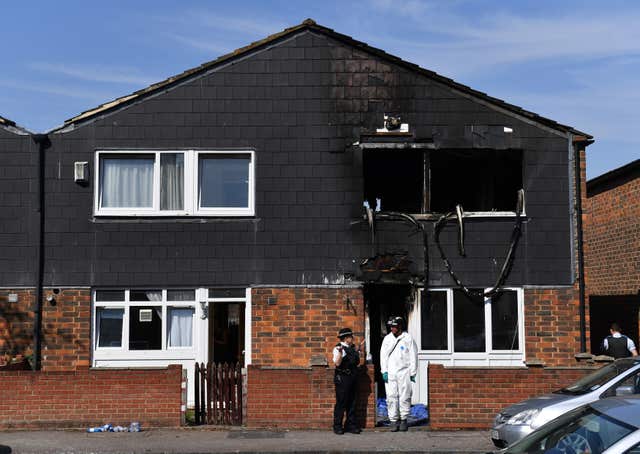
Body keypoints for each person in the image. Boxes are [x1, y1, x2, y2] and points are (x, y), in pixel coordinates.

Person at [380, 316, 418, 432]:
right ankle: (393, 420)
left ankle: (404, 419)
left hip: (404, 372)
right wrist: (384, 371)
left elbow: (413, 356)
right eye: (391, 326)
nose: (392, 329)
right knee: (391, 397)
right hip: (391, 373)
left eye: (394, 326)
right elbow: (383, 356)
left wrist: (413, 372)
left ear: (400, 326)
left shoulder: (408, 338)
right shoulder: (387, 339)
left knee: (405, 396)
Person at [332, 327, 363, 435]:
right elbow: (337, 363)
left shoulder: (352, 348)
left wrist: (358, 351)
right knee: (341, 402)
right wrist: (340, 353)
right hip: (343, 378)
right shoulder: (339, 348)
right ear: (346, 338)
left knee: (352, 402)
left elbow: (356, 362)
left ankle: (350, 425)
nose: (352, 338)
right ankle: (337, 426)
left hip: (352, 377)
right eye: (350, 336)